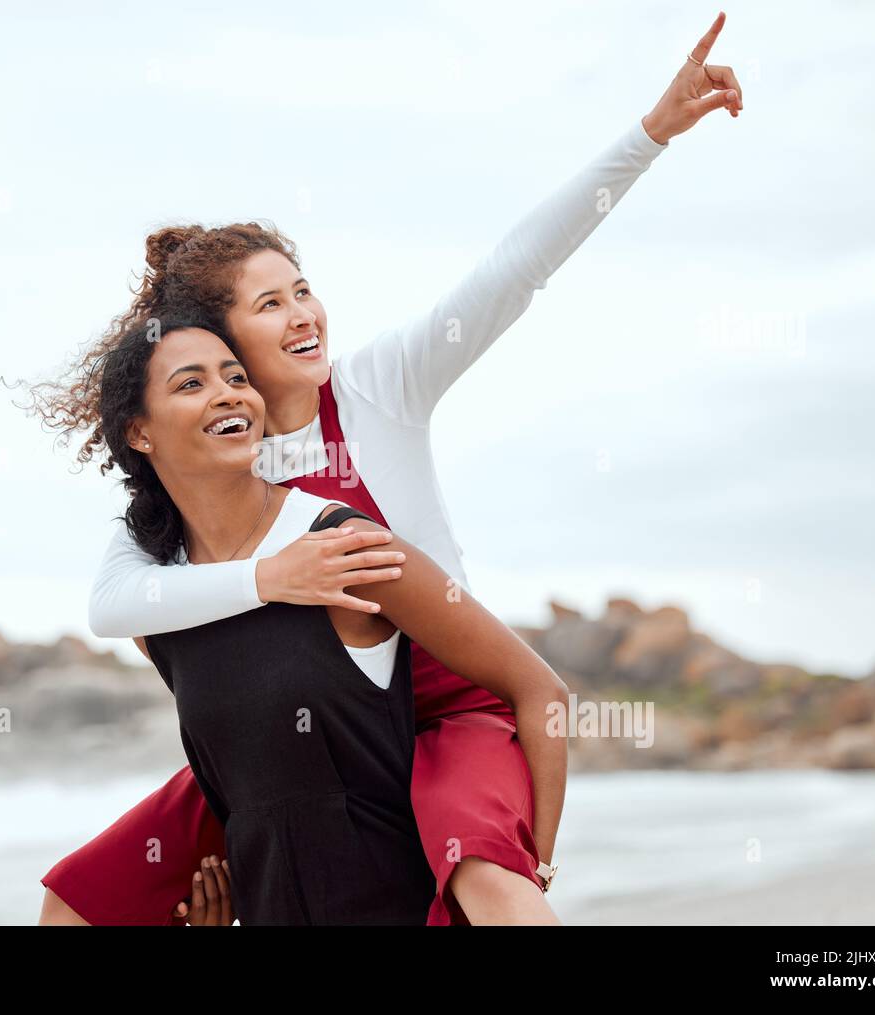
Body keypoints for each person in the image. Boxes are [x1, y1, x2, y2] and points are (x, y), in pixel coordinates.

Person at [38, 13, 744, 925]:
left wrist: (650, 133)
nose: (304, 314)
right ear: (220, 345)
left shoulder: (381, 388)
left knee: (490, 884)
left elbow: (515, 269)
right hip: (309, 738)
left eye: (303, 288)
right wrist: (269, 578)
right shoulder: (214, 468)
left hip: (447, 716)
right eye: (270, 303)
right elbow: (119, 607)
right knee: (83, 898)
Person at [63, 309, 569, 924]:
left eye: (236, 376)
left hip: (396, 902)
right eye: (191, 383)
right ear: (139, 433)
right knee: (70, 906)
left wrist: (531, 869)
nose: (228, 394)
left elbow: (539, 688)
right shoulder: (159, 607)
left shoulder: (343, 546)